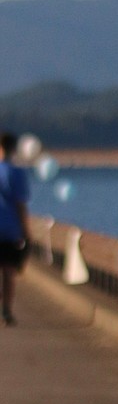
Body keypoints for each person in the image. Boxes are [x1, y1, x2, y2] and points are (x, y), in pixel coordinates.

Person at [0, 133, 31, 328]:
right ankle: (6, 312)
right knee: (9, 271)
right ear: (13, 149)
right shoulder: (17, 173)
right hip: (11, 229)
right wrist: (26, 230)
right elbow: (21, 204)